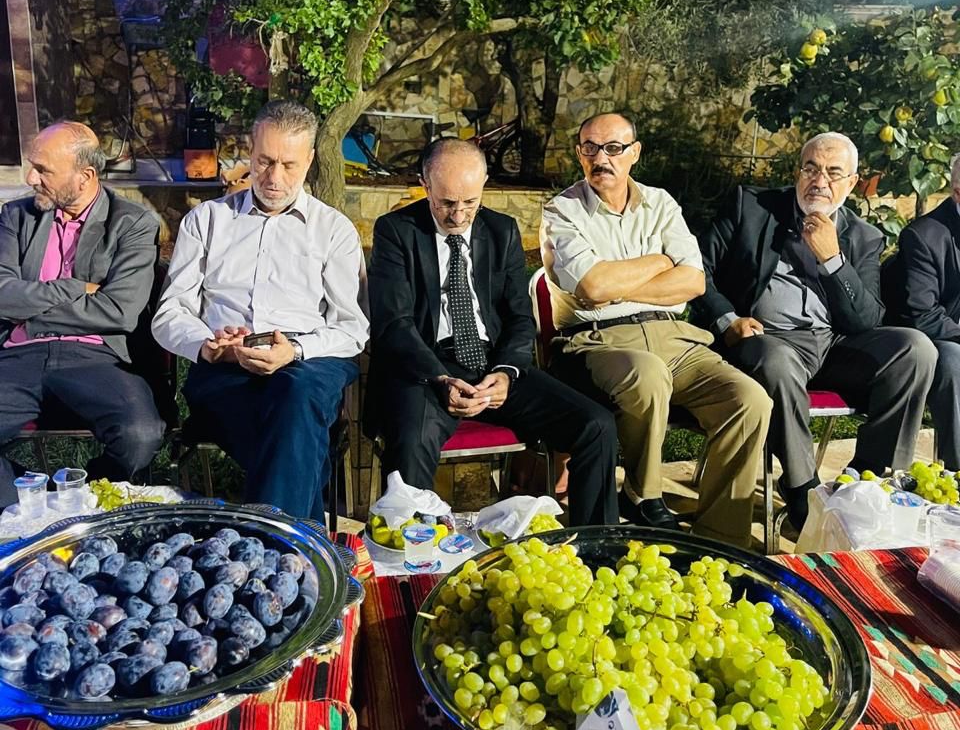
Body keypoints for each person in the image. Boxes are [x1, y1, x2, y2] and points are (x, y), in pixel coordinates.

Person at [540, 113, 772, 548]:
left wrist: (617, 283)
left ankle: (720, 539)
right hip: (596, 343)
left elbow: (694, 282)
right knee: (646, 373)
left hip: (675, 338)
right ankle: (641, 494)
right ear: (579, 153)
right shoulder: (562, 210)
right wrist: (661, 262)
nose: (601, 158)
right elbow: (592, 287)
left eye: (613, 148)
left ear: (635, 153)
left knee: (749, 399)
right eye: (590, 148)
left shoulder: (661, 203)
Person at [367, 139, 620, 525]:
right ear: (425, 185)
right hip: (427, 367)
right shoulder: (396, 231)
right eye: (447, 203)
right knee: (411, 441)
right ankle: (414, 552)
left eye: (470, 202)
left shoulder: (502, 230)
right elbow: (394, 324)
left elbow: (520, 318)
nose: (458, 215)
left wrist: (506, 372)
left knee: (596, 426)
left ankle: (594, 545)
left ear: (484, 185)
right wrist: (440, 377)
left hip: (494, 363)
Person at [696, 131, 937, 530]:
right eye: (811, 168)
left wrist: (833, 259)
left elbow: (865, 321)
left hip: (832, 344)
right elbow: (696, 268)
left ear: (852, 182)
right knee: (776, 359)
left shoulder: (864, 236)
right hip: (764, 339)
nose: (820, 181)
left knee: (916, 349)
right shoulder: (750, 206)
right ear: (797, 172)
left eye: (833, 172)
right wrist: (727, 319)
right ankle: (802, 492)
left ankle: (866, 480)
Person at [152, 100, 367, 520]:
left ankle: (269, 541)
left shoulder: (334, 231)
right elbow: (170, 313)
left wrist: (295, 351)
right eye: (265, 161)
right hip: (225, 369)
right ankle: (299, 541)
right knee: (299, 435)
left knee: (296, 394)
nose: (274, 177)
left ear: (310, 161)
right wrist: (210, 346)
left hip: (310, 364)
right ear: (249, 152)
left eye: (289, 165)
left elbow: (352, 328)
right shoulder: (207, 221)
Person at [0, 121, 164, 503]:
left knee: (140, 435)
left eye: (43, 170)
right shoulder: (16, 216)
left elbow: (119, 311)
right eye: (32, 166)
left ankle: (84, 497)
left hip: (96, 357)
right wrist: (73, 288)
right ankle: (25, 507)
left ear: (85, 176)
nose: (30, 178)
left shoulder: (132, 223)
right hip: (18, 355)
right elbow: (2, 294)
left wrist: (31, 312)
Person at [885, 151, 960, 469]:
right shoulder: (924, 236)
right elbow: (922, 314)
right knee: (953, 360)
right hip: (923, 341)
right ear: (958, 192)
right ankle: (958, 473)